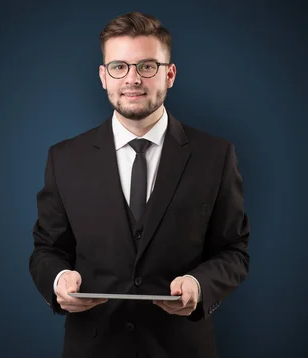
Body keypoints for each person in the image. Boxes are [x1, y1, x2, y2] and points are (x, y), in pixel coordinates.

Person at [29, 11, 250, 358]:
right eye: (119, 67)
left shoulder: (216, 155)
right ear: (103, 76)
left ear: (170, 74)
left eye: (147, 66)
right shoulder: (64, 158)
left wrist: (199, 285)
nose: (132, 79)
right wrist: (59, 280)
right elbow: (47, 249)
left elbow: (234, 250)